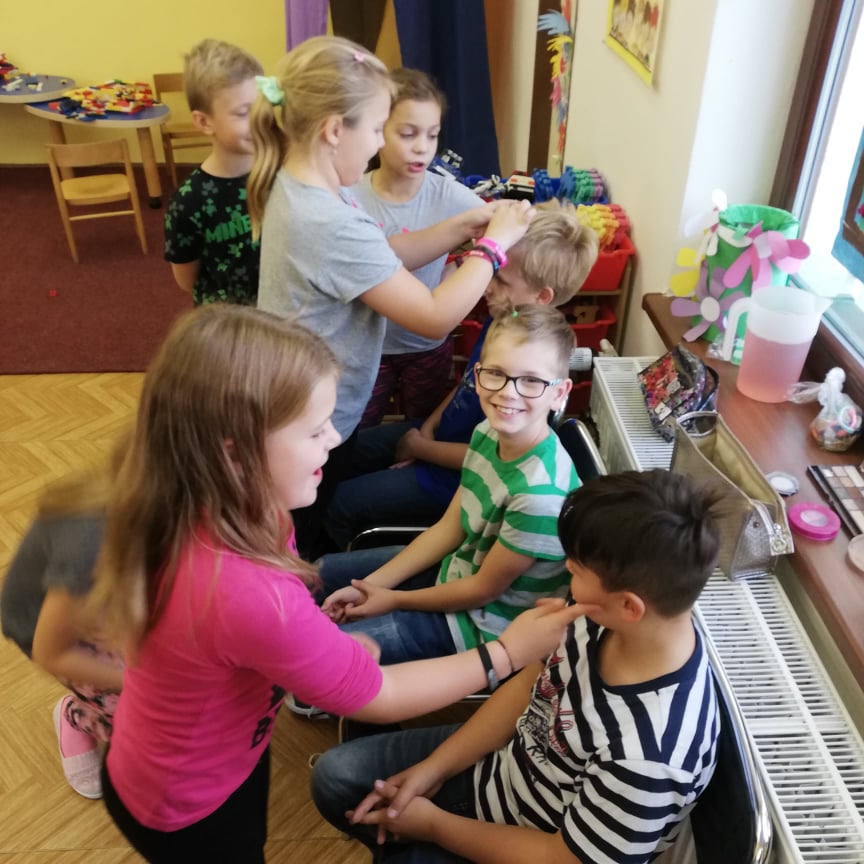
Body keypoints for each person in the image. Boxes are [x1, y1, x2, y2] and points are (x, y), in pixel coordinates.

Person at [86, 303, 594, 863]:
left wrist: (332, 642)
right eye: (314, 429)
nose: (334, 439)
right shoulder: (247, 590)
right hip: (185, 801)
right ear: (237, 451)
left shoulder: (247, 512)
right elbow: (378, 692)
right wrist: (509, 652)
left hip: (216, 754)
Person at [311, 469, 723, 864]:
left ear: (629, 606)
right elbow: (532, 686)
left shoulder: (650, 758)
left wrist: (434, 827)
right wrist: (434, 769)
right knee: (335, 777)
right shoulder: (601, 615)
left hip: (529, 844)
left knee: (376, 810)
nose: (566, 572)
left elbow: (562, 858)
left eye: (576, 570)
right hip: (504, 772)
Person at [248, 35, 534, 558]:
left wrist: (463, 225)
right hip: (310, 417)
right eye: (380, 128)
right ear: (335, 130)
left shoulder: (310, 185)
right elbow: (434, 317)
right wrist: (492, 247)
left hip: (303, 401)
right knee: (305, 536)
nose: (380, 142)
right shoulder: (328, 220)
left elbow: (381, 256)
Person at [314, 304, 577, 674]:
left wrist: (392, 599)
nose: (508, 392)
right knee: (318, 574)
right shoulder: (488, 432)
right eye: (496, 373)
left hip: (481, 628)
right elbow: (449, 528)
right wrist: (369, 588)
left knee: (329, 653)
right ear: (477, 375)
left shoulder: (540, 497)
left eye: (532, 380)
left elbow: (482, 591)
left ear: (559, 392)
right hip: (454, 573)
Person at [325, 199, 599, 550]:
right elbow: (468, 384)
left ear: (541, 296)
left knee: (339, 504)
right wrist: (428, 428)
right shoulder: (504, 322)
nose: (486, 285)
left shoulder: (534, 366)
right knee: (343, 451)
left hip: (457, 479)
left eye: (499, 278)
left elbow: (491, 454)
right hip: (437, 442)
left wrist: (422, 448)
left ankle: (331, 565)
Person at [355, 68, 483, 428]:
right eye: (408, 134)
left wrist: (460, 268)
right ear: (378, 130)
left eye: (432, 135)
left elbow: (498, 224)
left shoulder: (450, 195)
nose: (422, 147)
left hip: (427, 346)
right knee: (359, 428)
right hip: (368, 346)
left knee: (423, 427)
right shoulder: (352, 195)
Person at [1, 463, 124, 800]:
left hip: (104, 607)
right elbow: (53, 652)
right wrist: (136, 682)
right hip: (49, 629)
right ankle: (77, 717)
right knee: (125, 706)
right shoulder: (88, 542)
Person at [163, 39, 263, 306]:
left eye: (260, 107)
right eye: (243, 113)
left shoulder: (277, 171)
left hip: (280, 315)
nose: (258, 121)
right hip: (227, 322)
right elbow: (187, 280)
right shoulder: (189, 202)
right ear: (204, 122)